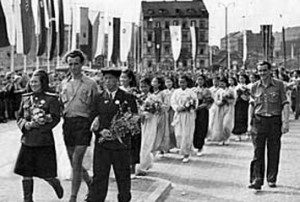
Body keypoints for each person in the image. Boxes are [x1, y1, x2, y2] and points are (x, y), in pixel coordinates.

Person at [86, 67, 138, 202]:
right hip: (103, 144)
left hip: (120, 145)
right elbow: (91, 118)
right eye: (106, 79)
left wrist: (118, 131)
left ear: (117, 81)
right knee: (100, 177)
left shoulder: (127, 98)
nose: (108, 82)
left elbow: (133, 121)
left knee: (123, 177)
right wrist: (100, 130)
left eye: (111, 79)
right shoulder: (98, 98)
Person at [14, 69, 63, 202]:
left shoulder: (51, 98)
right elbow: (18, 116)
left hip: (43, 141)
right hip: (27, 140)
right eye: (32, 82)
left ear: (43, 83)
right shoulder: (25, 98)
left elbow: (55, 117)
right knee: (26, 173)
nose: (33, 84)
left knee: (46, 174)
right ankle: (27, 199)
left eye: (36, 82)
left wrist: (41, 124)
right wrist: (25, 125)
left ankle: (54, 182)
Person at [60, 50, 98, 202]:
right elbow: (61, 103)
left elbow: (96, 104)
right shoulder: (64, 83)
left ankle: (73, 197)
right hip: (68, 123)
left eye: (76, 63)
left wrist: (94, 122)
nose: (73, 67)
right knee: (72, 161)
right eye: (70, 64)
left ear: (82, 64)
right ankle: (90, 183)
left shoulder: (91, 83)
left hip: (83, 123)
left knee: (76, 161)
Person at [248, 61, 289, 190]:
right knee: (257, 151)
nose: (262, 73)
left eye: (264, 70)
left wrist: (285, 122)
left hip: (274, 121)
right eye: (260, 71)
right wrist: (249, 123)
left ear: (270, 71)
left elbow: (285, 104)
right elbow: (251, 105)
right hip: (259, 121)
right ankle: (257, 179)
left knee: (274, 150)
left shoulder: (279, 85)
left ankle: (271, 178)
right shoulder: (254, 86)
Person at [171, 75, 198, 163]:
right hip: (179, 115)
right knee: (178, 134)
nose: (181, 84)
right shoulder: (176, 92)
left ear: (187, 82)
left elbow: (195, 102)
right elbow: (173, 102)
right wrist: (177, 108)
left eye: (183, 82)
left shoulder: (191, 92)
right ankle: (182, 148)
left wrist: (189, 107)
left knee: (187, 134)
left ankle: (186, 153)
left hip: (188, 115)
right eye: (180, 82)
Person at [119, 69, 141, 174]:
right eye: (121, 77)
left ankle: (132, 168)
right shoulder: (118, 90)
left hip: (133, 119)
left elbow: (140, 106)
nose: (122, 79)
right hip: (120, 120)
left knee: (133, 143)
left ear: (130, 79)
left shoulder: (135, 91)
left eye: (125, 77)